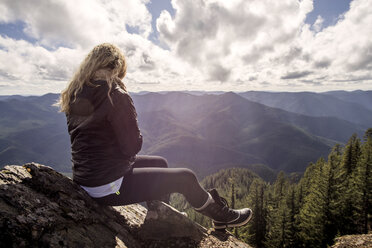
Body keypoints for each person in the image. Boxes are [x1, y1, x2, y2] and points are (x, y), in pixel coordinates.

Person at [56, 43, 252, 230]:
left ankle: (160, 216)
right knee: (186, 177)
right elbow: (132, 147)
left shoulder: (75, 93)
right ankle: (223, 217)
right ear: (117, 68)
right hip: (110, 188)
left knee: (160, 162)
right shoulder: (115, 95)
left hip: (85, 180)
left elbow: (92, 141)